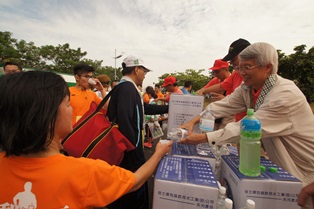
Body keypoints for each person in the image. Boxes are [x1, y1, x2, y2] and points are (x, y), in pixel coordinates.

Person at [0, 71, 172, 209]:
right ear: (48, 116)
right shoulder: (86, 171)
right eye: (68, 105)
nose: (71, 110)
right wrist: (159, 153)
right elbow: (135, 181)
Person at [180, 42, 314, 207]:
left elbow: (247, 127)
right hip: (282, 163)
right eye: (239, 68)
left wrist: (203, 137)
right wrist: (192, 121)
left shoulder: (284, 95)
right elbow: (224, 105)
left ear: (267, 67)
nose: (241, 73)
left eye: (247, 67)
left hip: (304, 167)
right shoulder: (248, 88)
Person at [106, 55, 169, 209]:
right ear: (136, 69)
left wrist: (170, 106)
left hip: (128, 146)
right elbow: (125, 120)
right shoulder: (127, 89)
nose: (145, 75)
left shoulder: (129, 88)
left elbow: (145, 108)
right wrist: (134, 149)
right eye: (144, 71)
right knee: (134, 184)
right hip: (129, 149)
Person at [197, 38, 251, 122]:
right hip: (238, 121)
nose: (232, 63)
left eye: (233, 59)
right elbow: (221, 87)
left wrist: (224, 99)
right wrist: (203, 90)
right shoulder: (235, 74)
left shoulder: (257, 78)